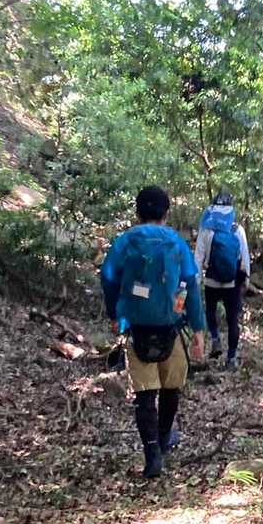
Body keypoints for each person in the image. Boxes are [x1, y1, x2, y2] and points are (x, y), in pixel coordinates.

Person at [100, 185, 206, 479]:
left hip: (136, 329)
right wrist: (198, 328)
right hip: (171, 327)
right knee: (171, 388)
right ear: (166, 213)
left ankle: (151, 455)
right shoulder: (177, 243)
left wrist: (115, 314)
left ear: (137, 212)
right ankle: (162, 440)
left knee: (145, 394)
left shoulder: (125, 241)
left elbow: (108, 278)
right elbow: (189, 285)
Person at [195, 189, 250, 369]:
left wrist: (196, 281)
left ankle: (215, 338)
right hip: (232, 283)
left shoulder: (206, 229)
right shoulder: (237, 230)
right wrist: (246, 280)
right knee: (233, 320)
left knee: (210, 312)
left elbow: (198, 257)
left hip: (211, 280)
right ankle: (231, 358)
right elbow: (244, 257)